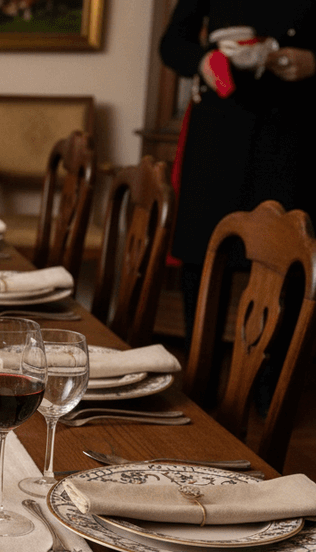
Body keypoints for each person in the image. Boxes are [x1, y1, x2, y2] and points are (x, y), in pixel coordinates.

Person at [159, 2, 316, 333]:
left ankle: (278, 367)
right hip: (218, 132)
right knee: (203, 257)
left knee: (290, 260)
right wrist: (203, 61)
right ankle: (198, 363)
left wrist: (314, 62)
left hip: (292, 135)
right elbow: (172, 44)